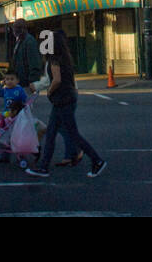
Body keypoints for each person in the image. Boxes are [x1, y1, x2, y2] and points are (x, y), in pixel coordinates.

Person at [26, 30, 106, 178]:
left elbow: (56, 79)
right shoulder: (64, 58)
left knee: (71, 133)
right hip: (65, 98)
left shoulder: (54, 60)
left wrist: (49, 91)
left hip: (63, 100)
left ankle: (97, 160)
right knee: (51, 133)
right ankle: (44, 167)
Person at [9, 18, 43, 92]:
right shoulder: (20, 41)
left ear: (22, 29)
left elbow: (34, 63)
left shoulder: (29, 41)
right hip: (20, 82)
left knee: (25, 102)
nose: (14, 31)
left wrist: (33, 82)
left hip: (26, 83)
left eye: (15, 28)